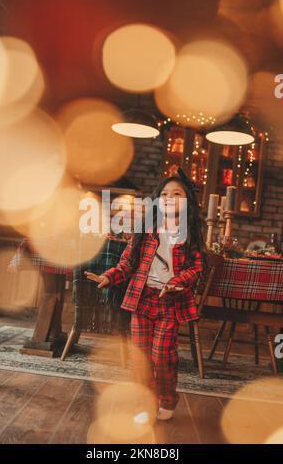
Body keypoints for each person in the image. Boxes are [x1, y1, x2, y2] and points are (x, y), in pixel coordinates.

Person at [85, 170, 206, 421]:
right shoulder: (146, 230)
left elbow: (196, 267)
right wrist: (109, 276)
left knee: (162, 354)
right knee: (140, 358)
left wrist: (177, 282)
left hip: (170, 301)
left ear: (187, 202)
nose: (169, 198)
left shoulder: (191, 233)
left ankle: (167, 399)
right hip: (142, 299)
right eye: (164, 194)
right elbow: (127, 263)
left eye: (177, 194)